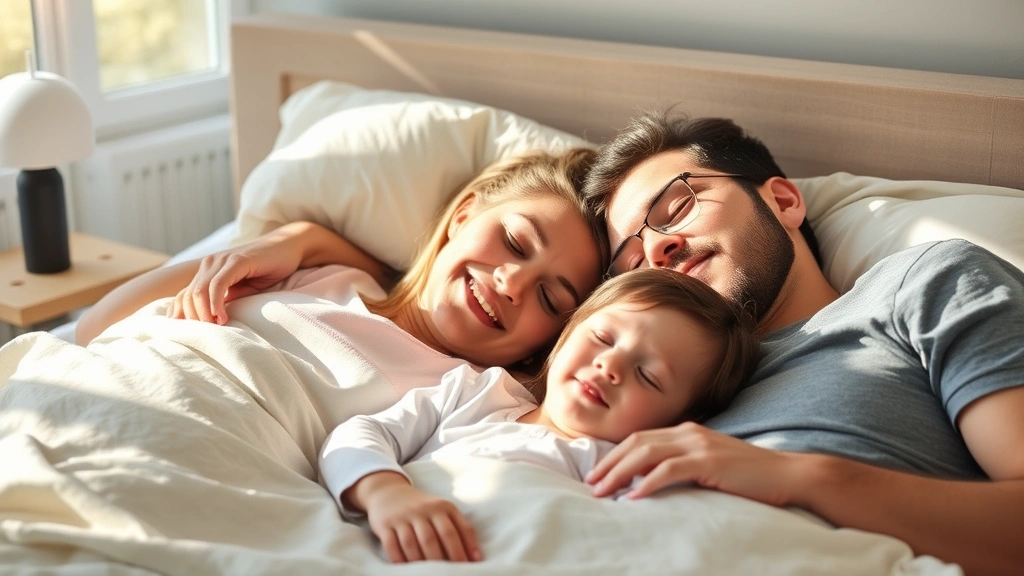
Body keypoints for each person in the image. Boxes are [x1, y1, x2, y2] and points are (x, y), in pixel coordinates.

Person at [580, 113, 1024, 576]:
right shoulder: (636, 386)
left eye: (676, 209)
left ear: (784, 201)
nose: (656, 250)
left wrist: (801, 477)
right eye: (634, 263)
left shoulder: (923, 283)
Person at [318, 268, 759, 564]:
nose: (610, 366)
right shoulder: (476, 394)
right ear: (567, 333)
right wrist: (385, 493)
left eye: (648, 375)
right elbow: (360, 434)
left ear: (679, 421)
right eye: (603, 338)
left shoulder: (622, 471)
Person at [78, 149, 608, 377]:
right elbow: (93, 327)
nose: (513, 283)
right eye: (514, 242)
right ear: (463, 216)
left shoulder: (470, 398)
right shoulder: (317, 273)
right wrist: (293, 240)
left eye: (550, 299)